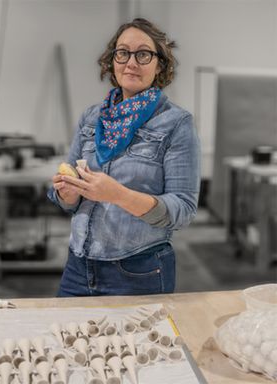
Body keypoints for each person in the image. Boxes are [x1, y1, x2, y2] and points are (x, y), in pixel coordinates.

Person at [48, 17, 200, 297]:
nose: (131, 62)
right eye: (123, 53)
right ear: (112, 61)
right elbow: (68, 200)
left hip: (138, 271)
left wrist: (117, 195)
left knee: (138, 343)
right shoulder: (92, 118)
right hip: (78, 267)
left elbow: (184, 210)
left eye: (143, 54)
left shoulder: (176, 123)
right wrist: (67, 194)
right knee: (65, 341)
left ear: (160, 65)